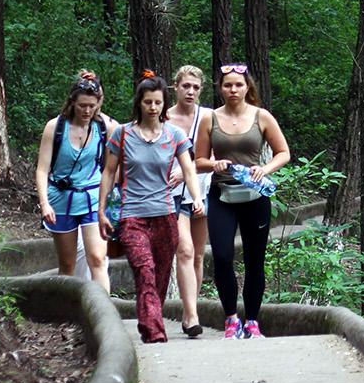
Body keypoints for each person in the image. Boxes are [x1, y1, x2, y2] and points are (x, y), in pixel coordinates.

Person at [100, 72, 203, 344]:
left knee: (159, 275)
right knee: (144, 271)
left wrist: (197, 198)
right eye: (148, 102)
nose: (153, 107)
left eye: (157, 102)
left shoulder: (175, 134)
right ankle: (155, 332)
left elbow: (189, 170)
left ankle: (149, 324)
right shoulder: (122, 134)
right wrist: (101, 210)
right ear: (140, 103)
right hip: (132, 216)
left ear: (163, 103)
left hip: (166, 214)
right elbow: (109, 173)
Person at [197, 64, 291, 339]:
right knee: (223, 256)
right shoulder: (210, 119)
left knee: (254, 259)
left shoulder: (262, 117)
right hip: (222, 194)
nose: (233, 90)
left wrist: (265, 169)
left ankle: (252, 320)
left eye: (238, 84)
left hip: (255, 195)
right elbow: (198, 160)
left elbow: (283, 152)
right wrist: (214, 164)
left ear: (247, 86)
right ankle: (230, 319)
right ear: (220, 88)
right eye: (228, 85)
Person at [34, 73, 113, 289]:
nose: (87, 111)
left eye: (91, 106)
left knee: (97, 258)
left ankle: (104, 312)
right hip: (61, 199)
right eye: (82, 106)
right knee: (67, 264)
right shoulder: (55, 127)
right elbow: (42, 170)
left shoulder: (104, 126)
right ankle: (67, 314)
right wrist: (44, 204)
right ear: (72, 103)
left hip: (92, 198)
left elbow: (112, 166)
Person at [166, 64, 209, 337]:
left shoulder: (208, 117)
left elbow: (211, 157)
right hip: (171, 194)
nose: (190, 91)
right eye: (186, 86)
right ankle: (192, 315)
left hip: (202, 191)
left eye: (195, 87)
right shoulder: (163, 116)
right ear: (176, 87)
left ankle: (188, 310)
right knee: (184, 250)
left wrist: (189, 170)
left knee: (199, 255)